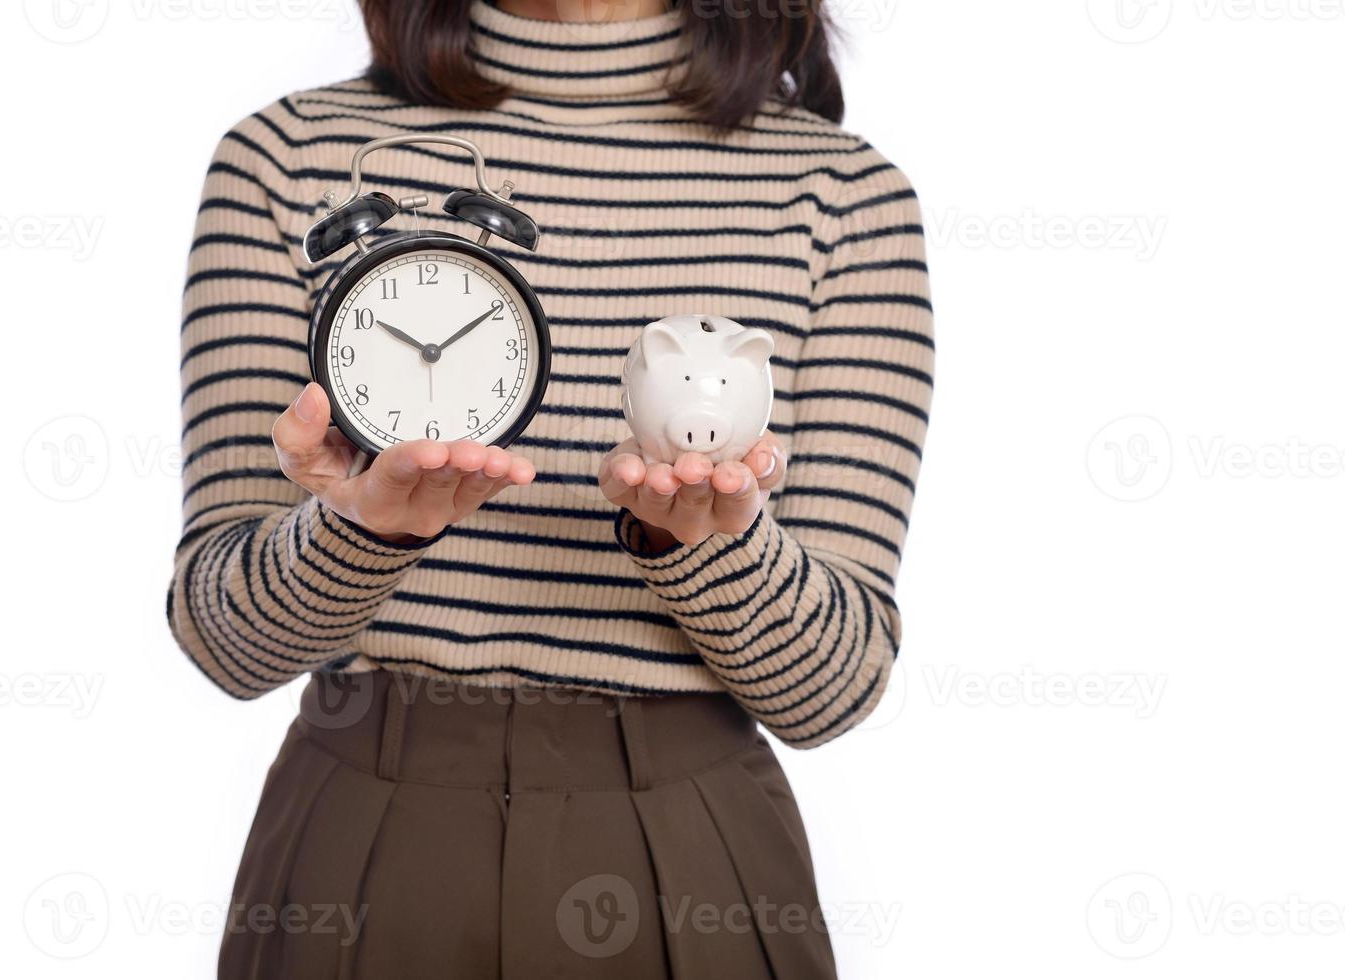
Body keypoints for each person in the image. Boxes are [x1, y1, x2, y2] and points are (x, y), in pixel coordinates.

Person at [168, 1, 933, 976]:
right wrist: (356, 535)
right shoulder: (291, 156)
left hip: (689, 854)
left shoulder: (839, 196)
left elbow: (830, 689)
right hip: (360, 845)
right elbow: (221, 641)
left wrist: (705, 548)